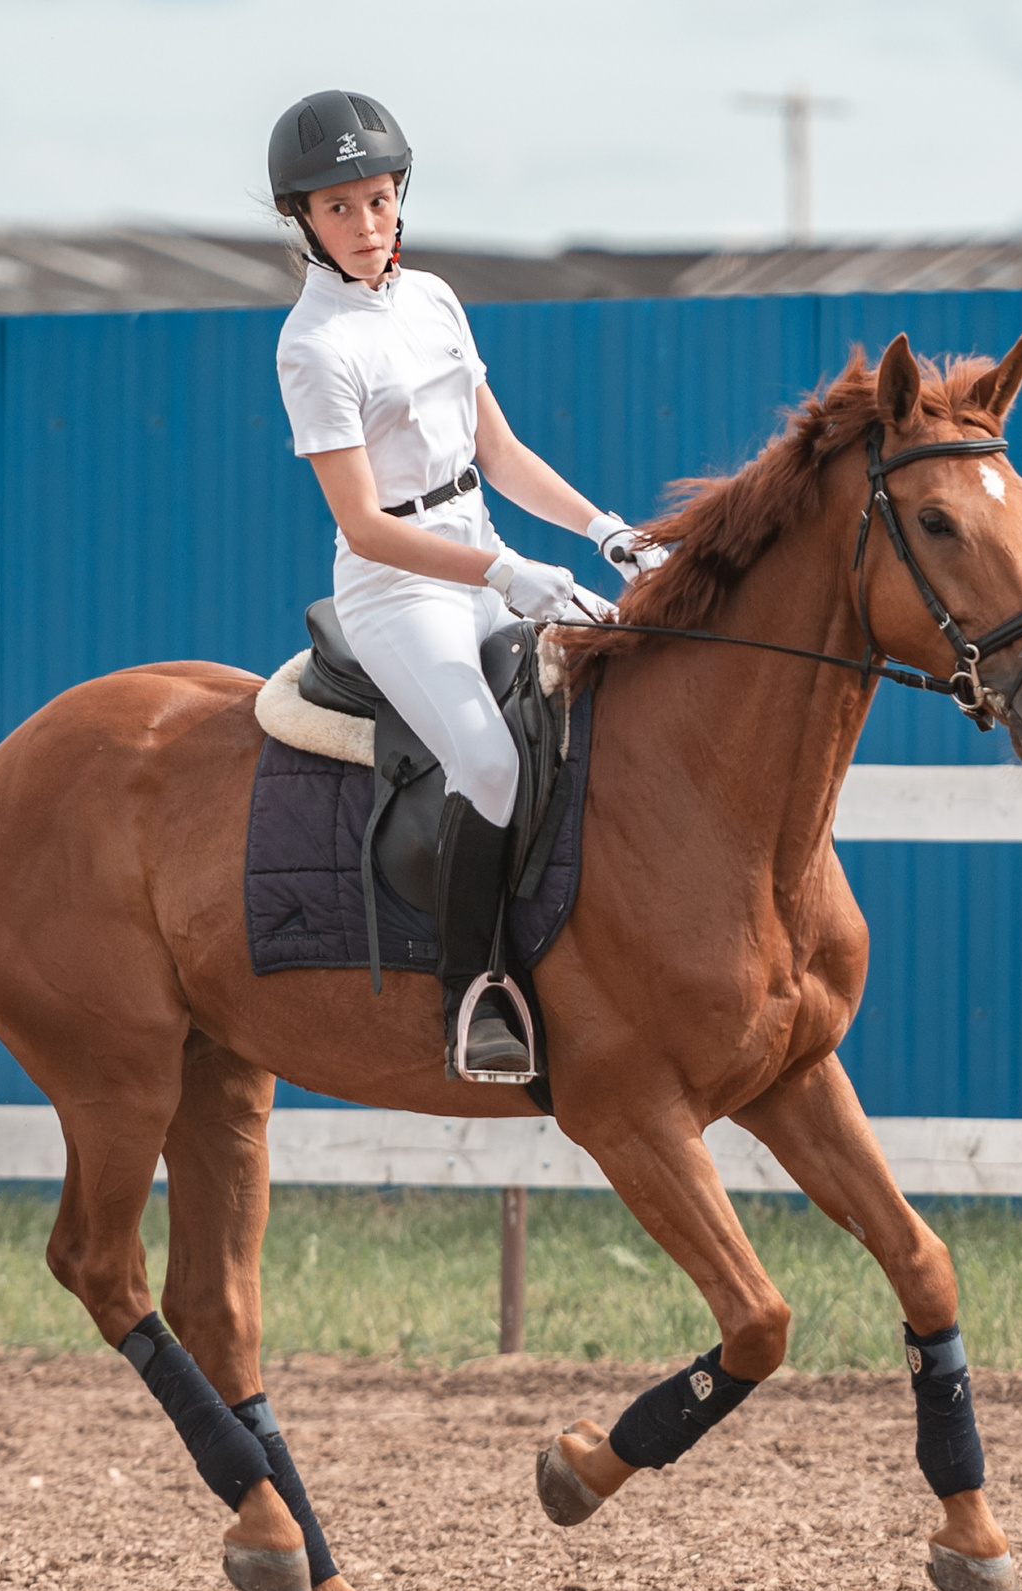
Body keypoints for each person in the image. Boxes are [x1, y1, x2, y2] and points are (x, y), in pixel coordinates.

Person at [268, 89, 660, 1082]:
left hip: (485, 548)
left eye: (380, 198)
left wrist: (602, 529)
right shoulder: (313, 348)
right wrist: (506, 573)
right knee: (486, 763)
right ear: (303, 221)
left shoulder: (435, 297)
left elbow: (501, 449)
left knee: (625, 689)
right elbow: (363, 522)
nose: (368, 224)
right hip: (399, 590)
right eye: (340, 209)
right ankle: (472, 991)